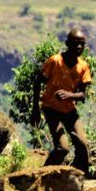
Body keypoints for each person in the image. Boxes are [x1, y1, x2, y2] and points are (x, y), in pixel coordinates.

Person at [34, 29, 91, 174]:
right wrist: (35, 108)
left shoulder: (83, 67)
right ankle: (44, 174)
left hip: (69, 110)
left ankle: (81, 176)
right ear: (67, 44)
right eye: (75, 43)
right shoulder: (55, 61)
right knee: (63, 147)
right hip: (51, 108)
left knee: (83, 144)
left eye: (82, 44)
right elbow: (37, 81)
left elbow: (82, 95)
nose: (79, 47)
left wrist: (69, 95)